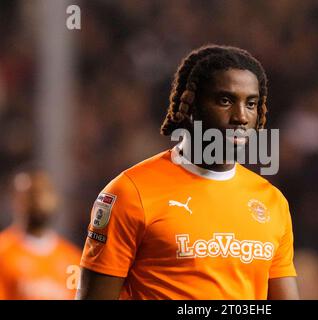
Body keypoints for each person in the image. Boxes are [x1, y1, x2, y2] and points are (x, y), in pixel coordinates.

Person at [76, 45, 299, 300]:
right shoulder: (130, 193)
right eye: (225, 100)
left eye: (251, 104)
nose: (241, 116)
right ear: (190, 106)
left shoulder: (272, 202)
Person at [0, 168, 81, 300]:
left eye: (43, 193)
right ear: (15, 199)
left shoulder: (73, 259)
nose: (38, 201)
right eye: (31, 194)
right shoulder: (3, 253)